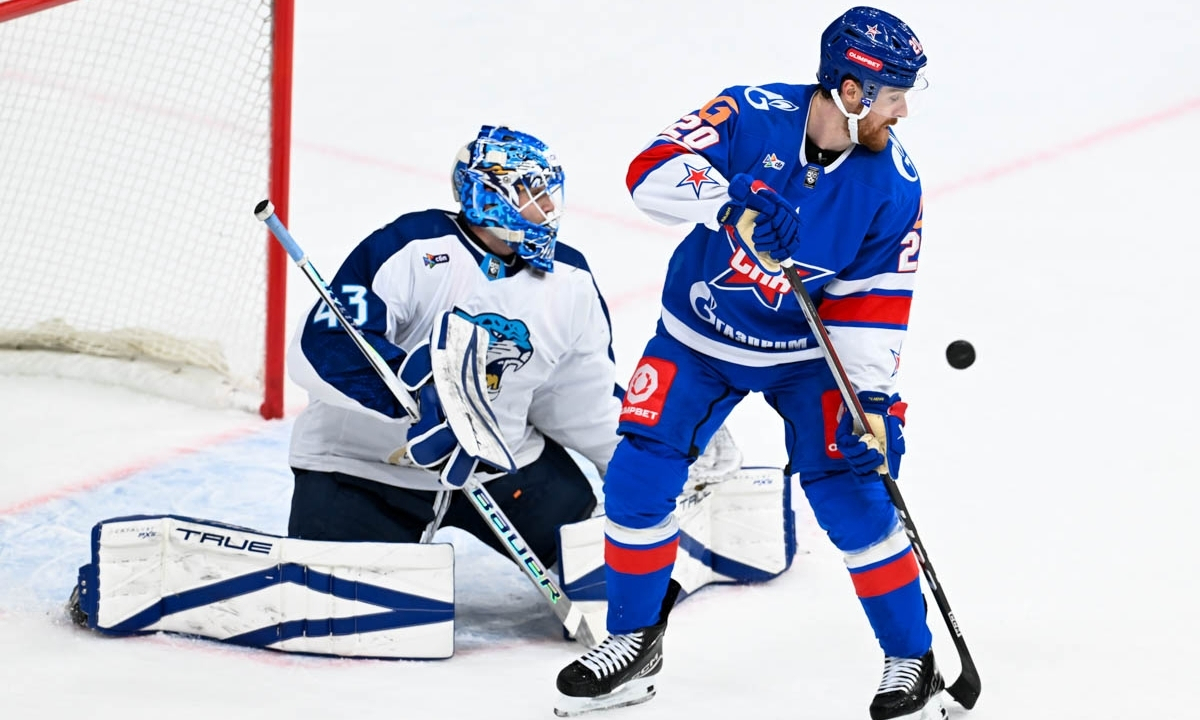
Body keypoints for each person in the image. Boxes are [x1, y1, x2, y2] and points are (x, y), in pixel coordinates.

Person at [555, 7, 943, 720]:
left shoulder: (894, 185)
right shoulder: (750, 112)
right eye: (893, 95)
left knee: (853, 493)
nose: (903, 111)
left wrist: (872, 405)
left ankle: (911, 658)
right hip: (698, 337)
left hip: (807, 357)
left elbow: (874, 304)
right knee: (638, 476)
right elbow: (647, 173)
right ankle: (633, 641)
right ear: (851, 91)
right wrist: (729, 201)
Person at [285, 124, 619, 571]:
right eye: (530, 192)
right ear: (487, 196)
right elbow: (324, 344)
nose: (547, 208)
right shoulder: (411, 247)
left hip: (498, 465)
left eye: (548, 193)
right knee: (349, 595)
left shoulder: (570, 281)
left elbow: (578, 396)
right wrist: (413, 398)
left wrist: (633, 460)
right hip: (365, 466)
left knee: (598, 564)